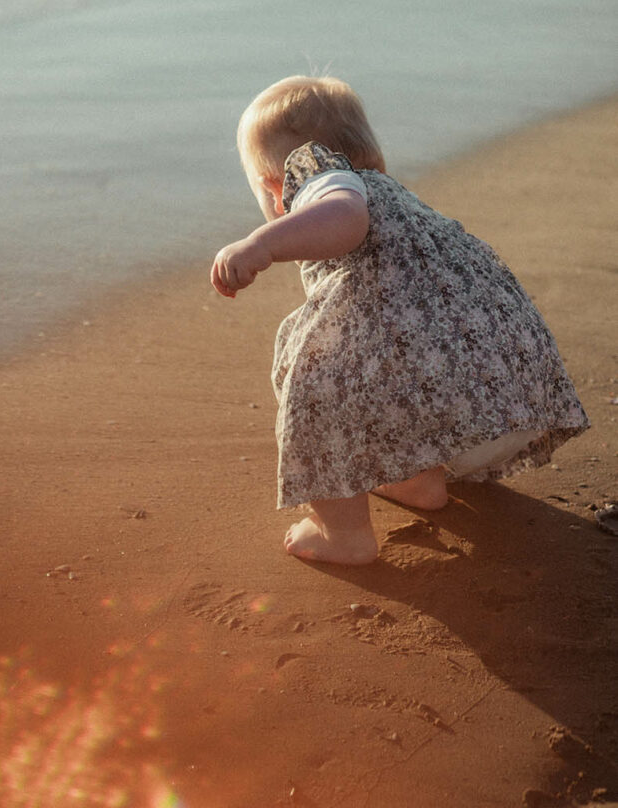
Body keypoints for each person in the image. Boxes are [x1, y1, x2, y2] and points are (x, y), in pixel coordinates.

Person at [211, 76, 589, 565]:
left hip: (446, 402)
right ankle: (418, 480)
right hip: (506, 396)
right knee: (374, 350)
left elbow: (345, 219)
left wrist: (260, 243)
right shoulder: (394, 195)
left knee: (315, 364)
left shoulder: (317, 173)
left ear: (274, 185)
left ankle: (341, 533)